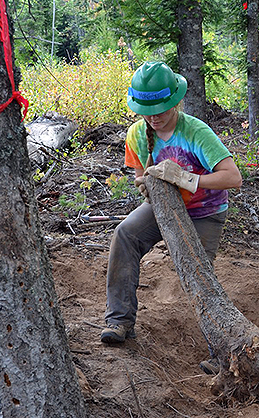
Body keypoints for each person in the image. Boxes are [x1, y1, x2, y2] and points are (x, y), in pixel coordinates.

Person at [101, 61, 242, 344]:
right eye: (146, 112)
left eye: (160, 110)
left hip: (205, 211)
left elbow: (233, 178)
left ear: (175, 102)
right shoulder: (137, 135)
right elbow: (141, 175)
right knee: (125, 234)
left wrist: (189, 179)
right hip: (164, 207)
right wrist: (144, 185)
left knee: (198, 272)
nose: (153, 118)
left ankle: (222, 347)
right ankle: (119, 321)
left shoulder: (195, 132)